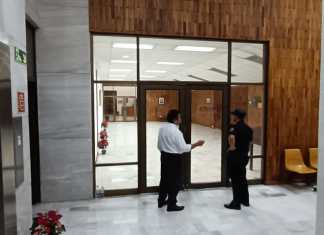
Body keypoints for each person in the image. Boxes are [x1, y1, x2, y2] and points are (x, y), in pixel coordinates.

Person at [157, 109, 205, 212]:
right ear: (175, 120)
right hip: (174, 159)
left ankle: (161, 201)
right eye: (180, 117)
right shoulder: (176, 132)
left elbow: (159, 145)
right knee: (176, 182)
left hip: (164, 156)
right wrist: (196, 144)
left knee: (164, 179)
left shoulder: (162, 128)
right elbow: (183, 148)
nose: (181, 119)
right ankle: (171, 204)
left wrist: (165, 151)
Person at [225, 108, 253, 210]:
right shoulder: (248, 128)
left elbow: (231, 137)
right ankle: (245, 200)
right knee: (242, 179)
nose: (232, 116)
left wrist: (232, 147)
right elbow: (250, 143)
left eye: (233, 115)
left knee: (235, 180)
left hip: (235, 157)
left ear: (236, 117)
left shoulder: (234, 127)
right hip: (244, 156)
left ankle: (236, 203)